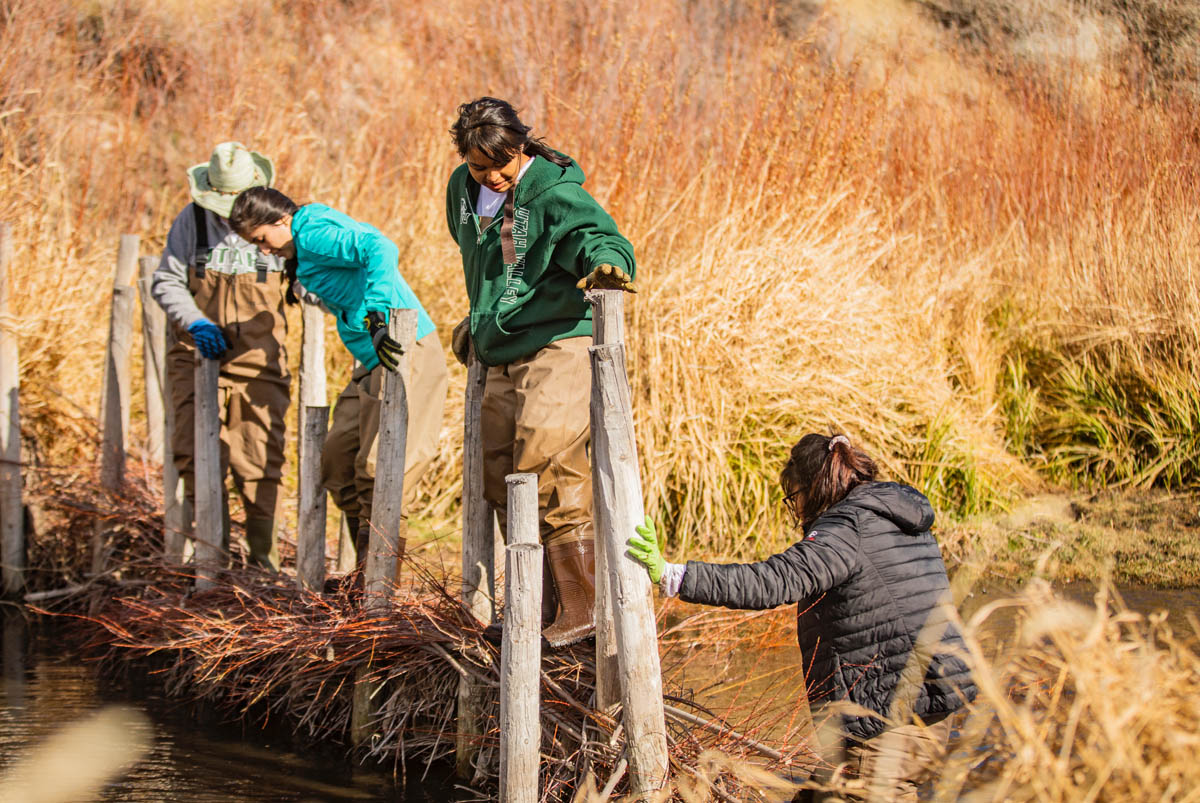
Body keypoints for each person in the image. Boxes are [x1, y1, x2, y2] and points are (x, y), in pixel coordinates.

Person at [628, 433, 977, 801]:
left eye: (794, 497)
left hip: (889, 724)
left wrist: (673, 575)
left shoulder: (845, 530)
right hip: (934, 709)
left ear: (813, 488)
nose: (796, 509)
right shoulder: (897, 515)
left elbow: (772, 581)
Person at [446, 97, 637, 647]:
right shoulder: (463, 189)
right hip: (503, 345)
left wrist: (607, 267)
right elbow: (486, 260)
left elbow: (598, 238)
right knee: (503, 467)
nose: (494, 175)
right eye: (481, 167)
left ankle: (585, 606)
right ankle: (536, 602)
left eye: (503, 163)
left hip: (558, 338)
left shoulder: (555, 194)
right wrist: (481, 318)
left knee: (546, 454)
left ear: (522, 146)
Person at [229, 187, 448, 579]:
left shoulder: (310, 229)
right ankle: (365, 574)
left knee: (381, 469)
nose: (263, 250)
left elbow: (379, 247)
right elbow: (348, 284)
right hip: (370, 359)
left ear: (281, 220)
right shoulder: (302, 248)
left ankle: (377, 590)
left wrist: (380, 314)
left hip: (404, 350)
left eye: (262, 239)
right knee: (338, 462)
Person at [151, 142, 289, 570]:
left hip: (259, 361)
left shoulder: (281, 223)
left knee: (258, 459)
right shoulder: (190, 221)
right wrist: (195, 322)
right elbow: (166, 281)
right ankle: (213, 559)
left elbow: (308, 282)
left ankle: (262, 565)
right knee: (196, 456)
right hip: (196, 356)